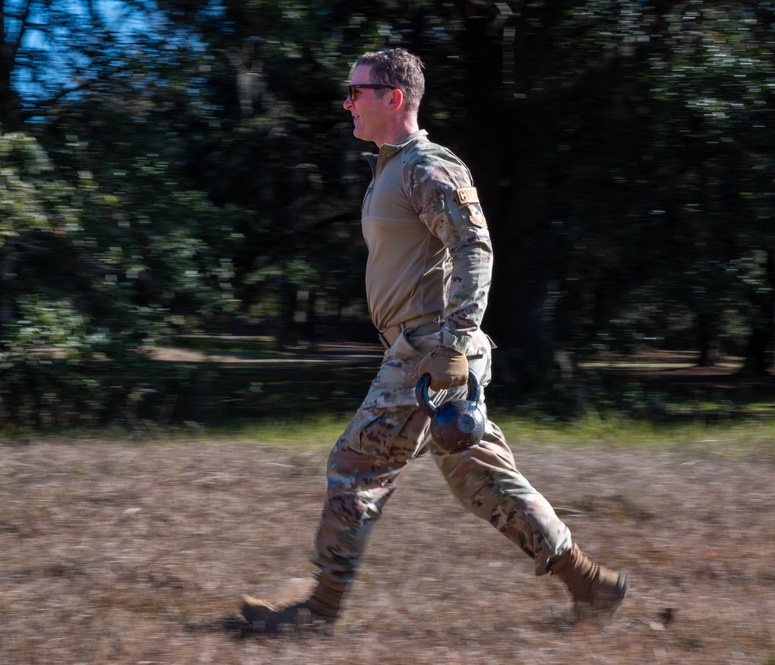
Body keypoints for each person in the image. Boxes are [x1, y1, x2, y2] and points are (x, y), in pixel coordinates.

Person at [240, 47, 628, 634]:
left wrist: (454, 343)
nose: (346, 102)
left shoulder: (428, 164)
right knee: (481, 478)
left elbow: (475, 246)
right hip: (427, 347)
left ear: (393, 98)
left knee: (355, 465)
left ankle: (316, 617)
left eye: (356, 91)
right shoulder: (388, 170)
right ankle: (590, 586)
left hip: (431, 351)